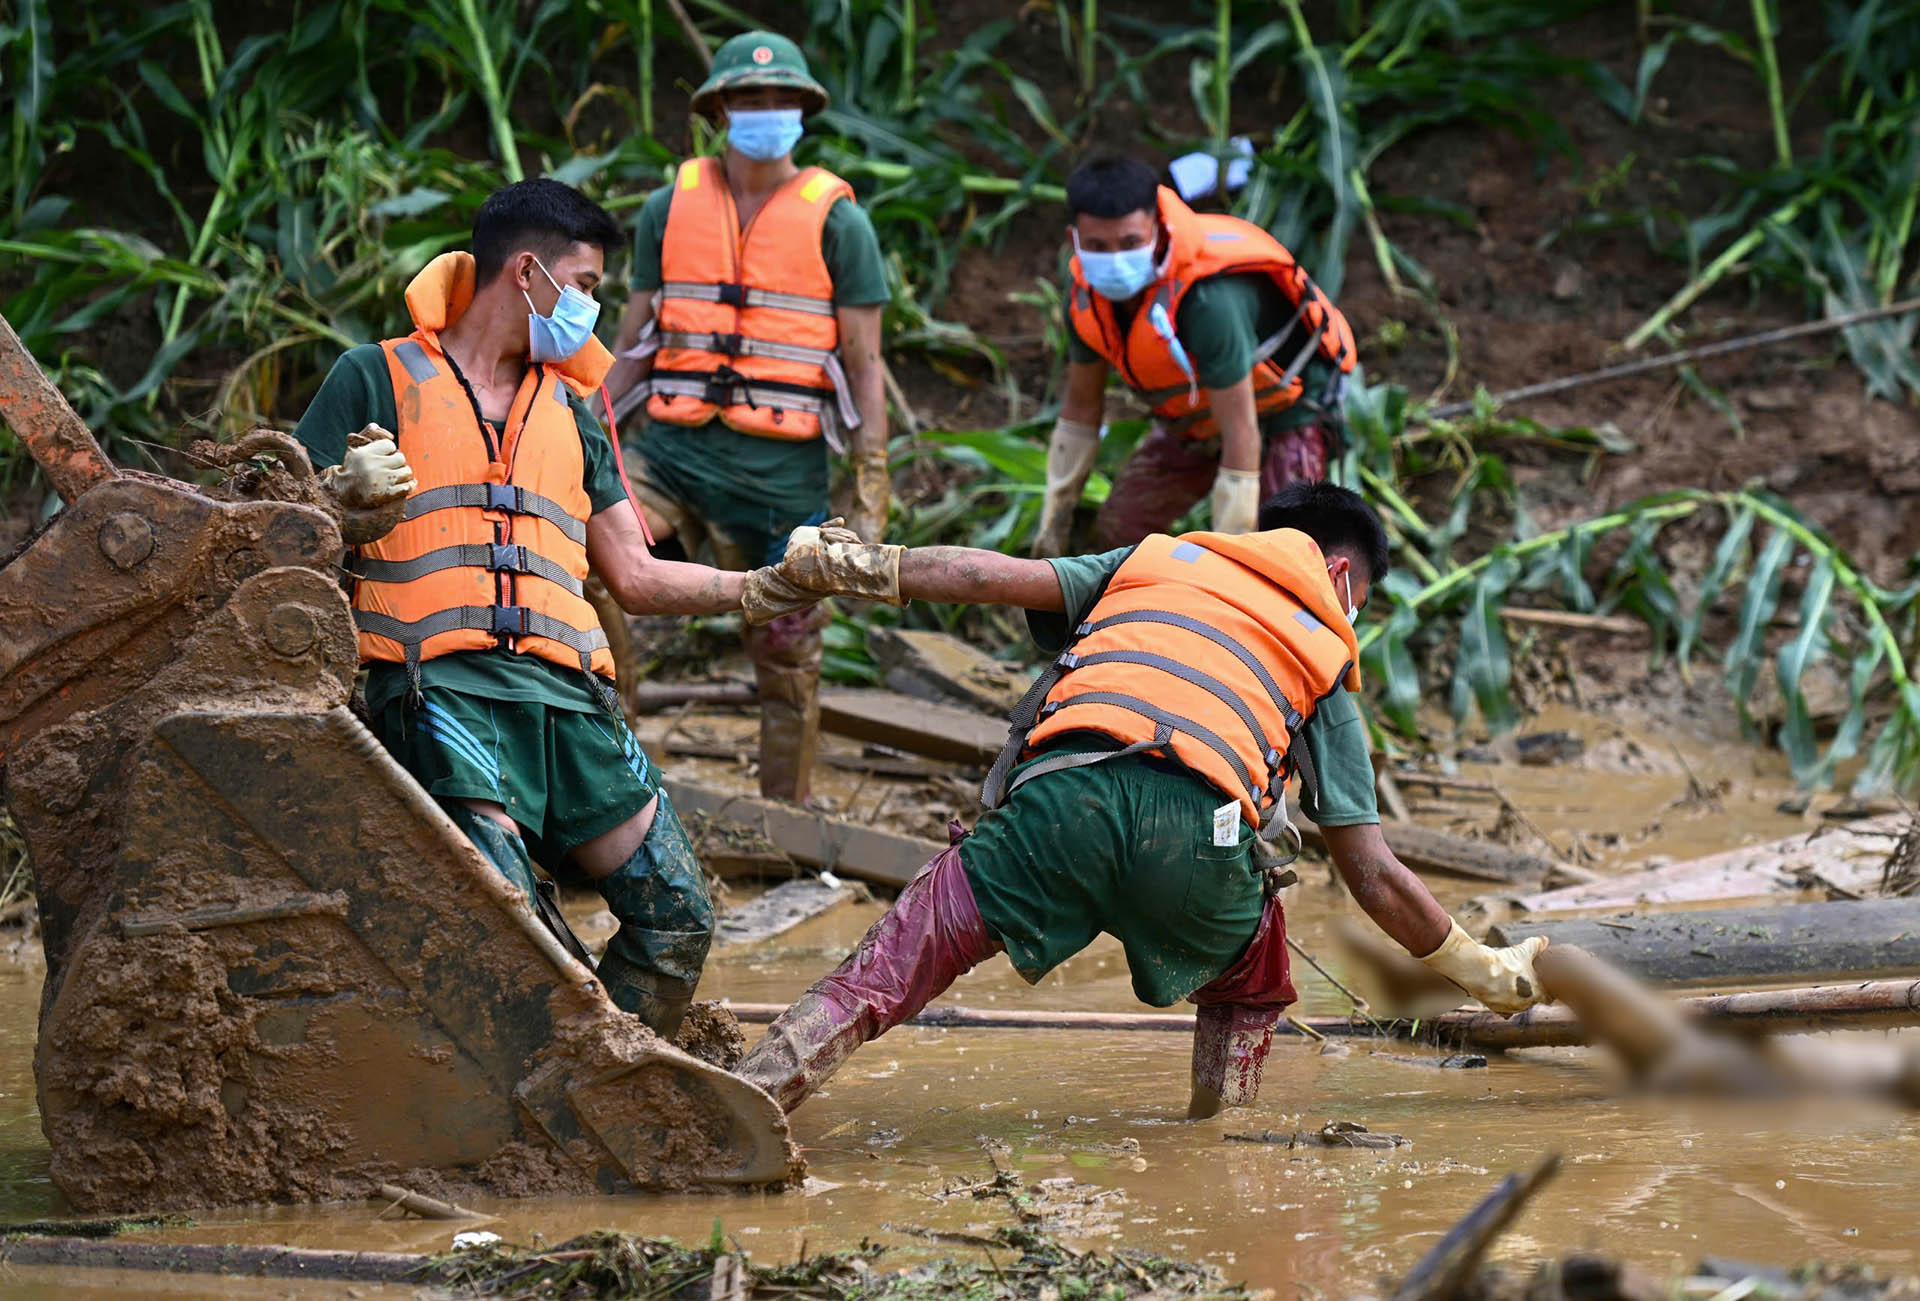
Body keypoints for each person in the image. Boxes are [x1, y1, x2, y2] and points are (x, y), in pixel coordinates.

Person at [730, 483, 1548, 1118]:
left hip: (1059, 807)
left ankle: (747, 1092)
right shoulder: (1322, 650)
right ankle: (1221, 1138)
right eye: (1360, 597)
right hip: (1198, 843)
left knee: (894, 959)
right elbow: (1370, 872)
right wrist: (1480, 967)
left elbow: (986, 575)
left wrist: (849, 565)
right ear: (1341, 573)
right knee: (1253, 973)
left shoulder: (1153, 559)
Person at [295, 178, 797, 1039]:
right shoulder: (371, 376)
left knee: (679, 914)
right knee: (509, 921)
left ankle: (607, 1073)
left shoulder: (569, 408)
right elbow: (261, 530)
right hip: (437, 691)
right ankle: (546, 1114)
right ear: (529, 273)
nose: (595, 309)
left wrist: (769, 585)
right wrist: (334, 493)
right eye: (590, 284)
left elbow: (635, 576)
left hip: (569, 702)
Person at [605, 29, 891, 805]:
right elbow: (632, 341)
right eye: (748, 98)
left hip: (781, 477)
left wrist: (870, 485)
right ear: (720, 109)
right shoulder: (669, 208)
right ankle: (611, 774)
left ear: (801, 110)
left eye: (780, 99)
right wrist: (583, 429)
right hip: (669, 459)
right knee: (592, 567)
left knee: (788, 645)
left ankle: (782, 814)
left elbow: (865, 365)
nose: (765, 111)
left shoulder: (840, 223)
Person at [1030, 154, 1357, 558]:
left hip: (1286, 408)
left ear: (1156, 231)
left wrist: (1231, 549)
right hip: (1197, 412)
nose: (1114, 259)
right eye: (1098, 246)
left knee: (1283, 554)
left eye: (1130, 243)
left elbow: (1241, 431)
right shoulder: (1085, 294)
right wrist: (1056, 512)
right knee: (1120, 528)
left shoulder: (1206, 302)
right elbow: (1081, 407)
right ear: (1073, 239)